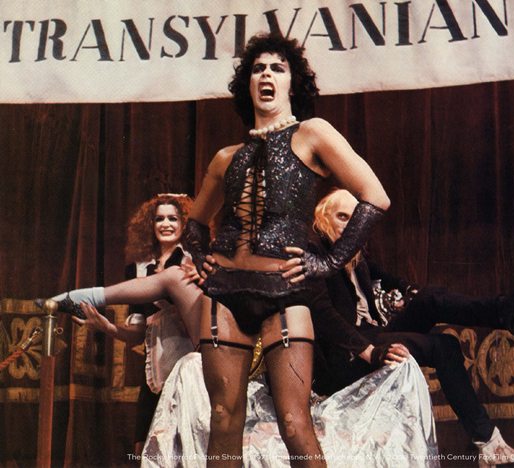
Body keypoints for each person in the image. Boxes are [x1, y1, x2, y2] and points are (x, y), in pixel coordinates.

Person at [38, 33, 389, 467]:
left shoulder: (313, 134)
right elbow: (196, 223)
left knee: (295, 423)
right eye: (258, 69)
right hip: (225, 295)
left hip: (285, 294)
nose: (266, 75)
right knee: (222, 418)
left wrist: (329, 261)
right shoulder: (227, 157)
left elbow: (375, 196)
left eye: (277, 68)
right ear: (247, 84)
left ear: (292, 83)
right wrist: (203, 258)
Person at [309, 188, 514, 466]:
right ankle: (490, 445)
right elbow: (323, 315)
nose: (351, 225)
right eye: (342, 217)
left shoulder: (355, 256)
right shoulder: (316, 253)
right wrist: (370, 352)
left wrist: (411, 292)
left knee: (430, 300)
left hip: (370, 334)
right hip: (345, 355)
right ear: (323, 218)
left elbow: (386, 277)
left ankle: (508, 312)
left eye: (355, 219)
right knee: (442, 346)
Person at [73, 194, 196, 456]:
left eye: (173, 219)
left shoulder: (191, 263)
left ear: (184, 224)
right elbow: (138, 332)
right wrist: (108, 327)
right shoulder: (139, 269)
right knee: (145, 449)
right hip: (154, 374)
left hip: (188, 368)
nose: (165, 224)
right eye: (159, 219)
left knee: (185, 447)